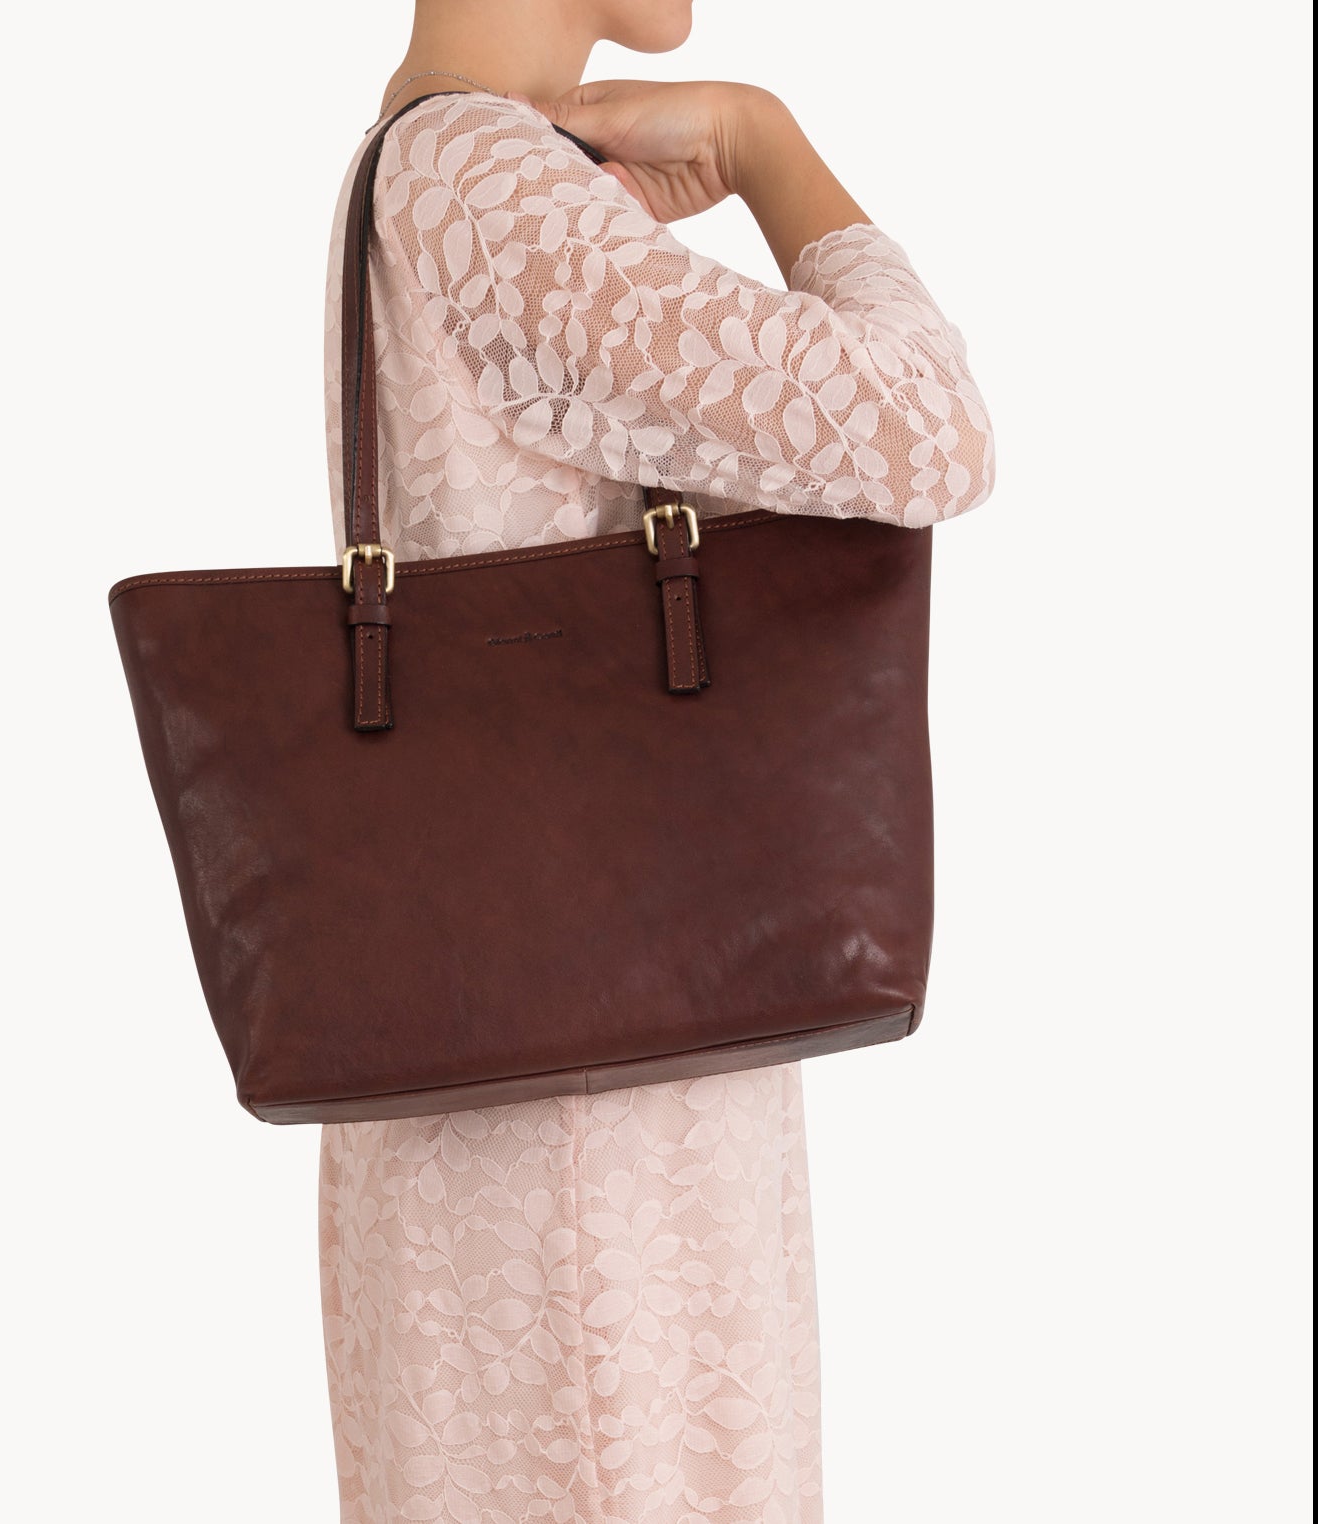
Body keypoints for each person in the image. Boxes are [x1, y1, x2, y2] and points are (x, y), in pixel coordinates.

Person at [317, 2, 995, 1519]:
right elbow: (931, 434)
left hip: (516, 1062)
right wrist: (768, 144)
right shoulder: (485, 181)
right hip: (592, 1131)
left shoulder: (424, 170)